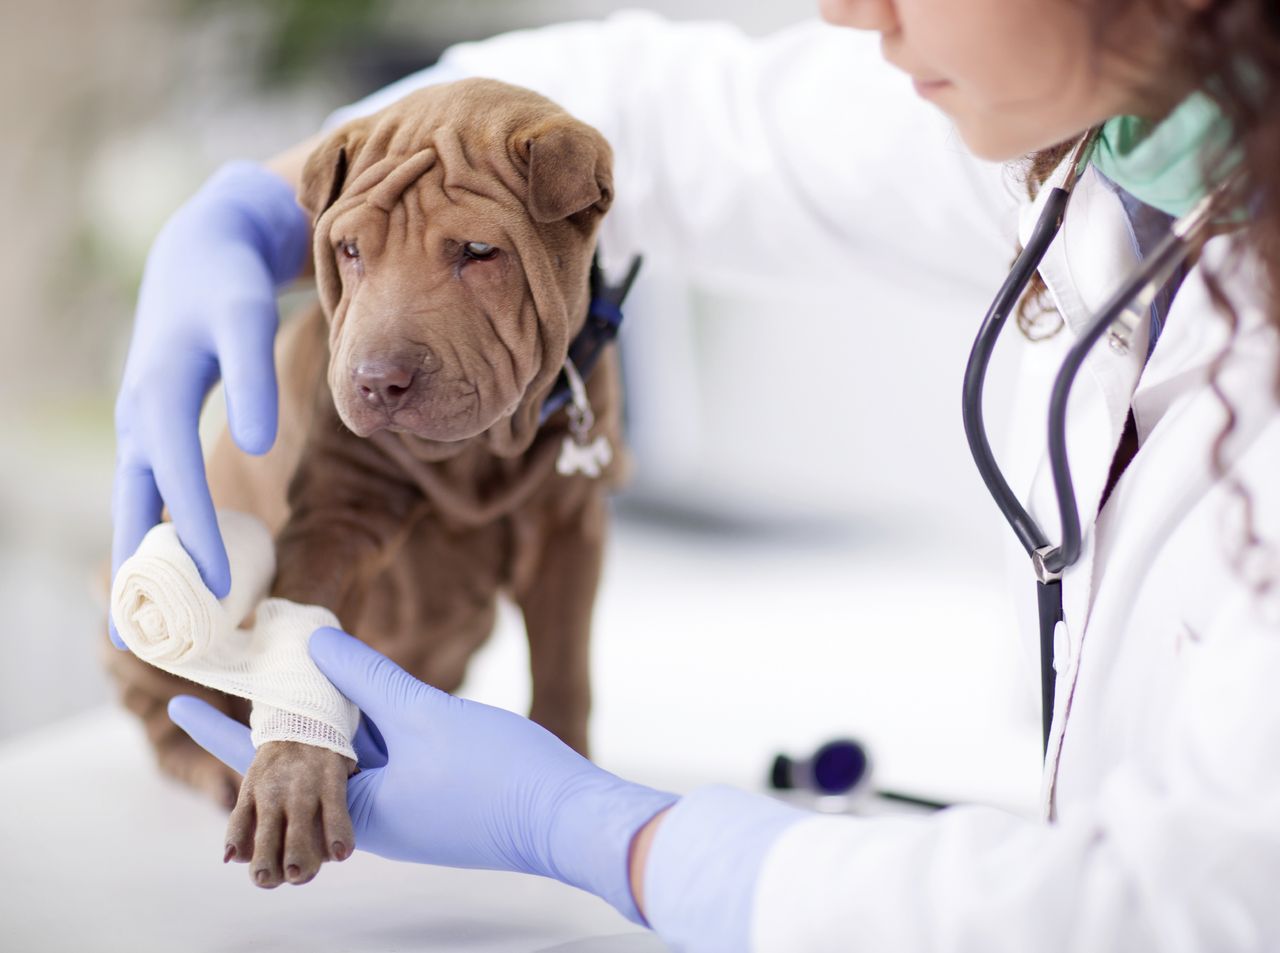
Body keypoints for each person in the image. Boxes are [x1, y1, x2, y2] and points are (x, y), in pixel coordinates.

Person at [115, 0, 1280, 948]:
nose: (844, 10)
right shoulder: (1115, 133)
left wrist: (606, 834)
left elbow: (1185, 906)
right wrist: (268, 200)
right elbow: (675, 119)